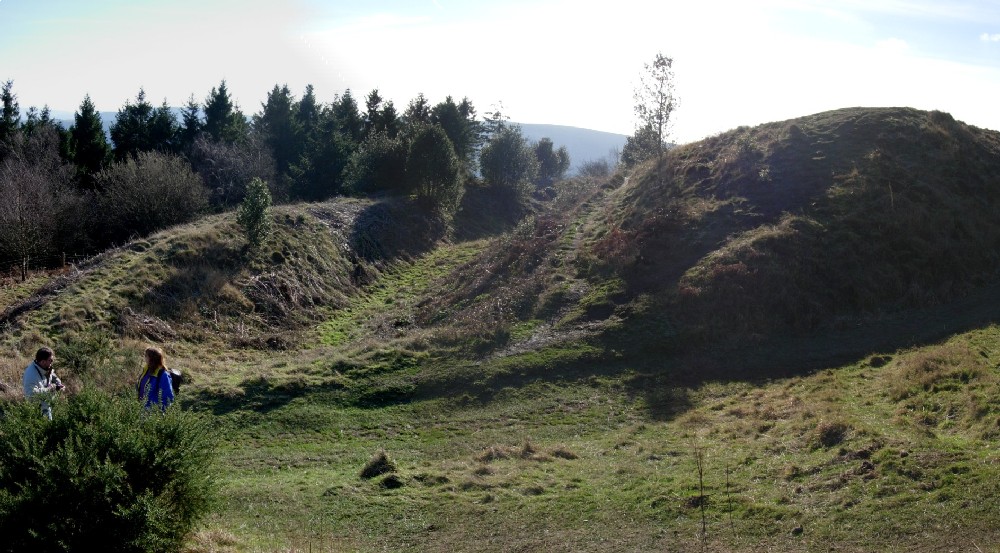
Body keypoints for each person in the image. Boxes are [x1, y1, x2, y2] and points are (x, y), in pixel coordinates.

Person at [22, 346, 64, 420]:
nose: (52, 362)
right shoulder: (31, 375)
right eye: (50, 360)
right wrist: (52, 389)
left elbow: (52, 375)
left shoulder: (45, 367)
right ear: (43, 361)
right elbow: (31, 395)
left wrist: (58, 383)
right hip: (37, 411)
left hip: (46, 405)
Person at [137, 346, 174, 411]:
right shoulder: (146, 370)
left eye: (146, 356)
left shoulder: (163, 375)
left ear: (152, 359)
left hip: (153, 413)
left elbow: (168, 398)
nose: (144, 358)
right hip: (141, 409)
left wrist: (158, 412)